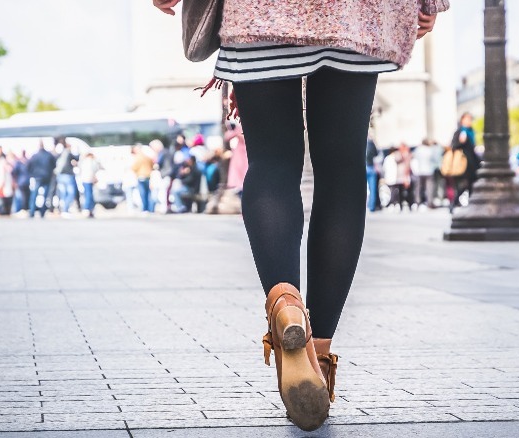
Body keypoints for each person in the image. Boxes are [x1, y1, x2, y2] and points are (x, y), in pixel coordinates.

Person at [155, 0, 448, 430]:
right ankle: (320, 353)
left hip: (261, 11)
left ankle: (287, 305)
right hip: (359, 13)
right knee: (343, 170)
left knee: (272, 162)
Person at [449, 113, 479, 213]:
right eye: (467, 119)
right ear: (462, 120)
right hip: (463, 163)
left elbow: (473, 147)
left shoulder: (471, 131)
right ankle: (453, 203)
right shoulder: (459, 132)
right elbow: (454, 146)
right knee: (464, 184)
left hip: (472, 162)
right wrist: (461, 142)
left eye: (470, 119)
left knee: (472, 184)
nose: (469, 121)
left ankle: (471, 205)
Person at [27, 141, 57, 218]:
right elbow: (54, 165)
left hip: (37, 177)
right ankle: (42, 212)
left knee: (34, 195)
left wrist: (32, 174)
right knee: (45, 195)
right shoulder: (49, 155)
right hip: (47, 177)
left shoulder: (35, 156)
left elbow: (29, 166)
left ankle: (32, 211)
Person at [412, 139, 439, 208]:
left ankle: (417, 201)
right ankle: (429, 202)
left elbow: (414, 158)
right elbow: (435, 159)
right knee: (429, 188)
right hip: (429, 170)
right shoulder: (430, 150)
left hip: (419, 170)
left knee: (418, 188)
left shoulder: (418, 149)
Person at [54, 140, 78, 216]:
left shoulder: (58, 154)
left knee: (63, 193)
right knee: (71, 193)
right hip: (68, 175)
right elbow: (77, 158)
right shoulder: (68, 153)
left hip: (60, 176)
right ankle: (65, 209)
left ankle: (62, 208)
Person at [224, 123, 248, 195]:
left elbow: (227, 137)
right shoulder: (239, 129)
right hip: (243, 156)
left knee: (241, 173)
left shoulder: (239, 129)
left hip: (241, 156)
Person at [131, 145, 154, 212]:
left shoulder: (138, 158)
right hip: (148, 176)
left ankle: (145, 208)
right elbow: (152, 165)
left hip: (141, 176)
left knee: (143, 194)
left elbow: (134, 167)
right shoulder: (147, 157)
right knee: (148, 193)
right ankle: (150, 208)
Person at [79, 152, 101, 217]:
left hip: (84, 179)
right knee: (89, 195)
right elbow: (96, 168)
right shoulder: (92, 161)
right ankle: (87, 208)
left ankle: (89, 209)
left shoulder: (83, 162)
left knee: (87, 194)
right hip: (90, 179)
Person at [11, 150, 31, 214]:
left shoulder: (19, 162)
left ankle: (22, 209)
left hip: (21, 182)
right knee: (25, 195)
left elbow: (14, 172)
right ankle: (25, 208)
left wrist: (15, 180)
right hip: (27, 181)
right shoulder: (27, 162)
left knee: (21, 196)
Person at [365, 137, 380, 212]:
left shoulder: (360, 141)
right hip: (371, 167)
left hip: (364, 167)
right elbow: (376, 154)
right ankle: (371, 207)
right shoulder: (371, 143)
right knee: (372, 188)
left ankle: (365, 206)